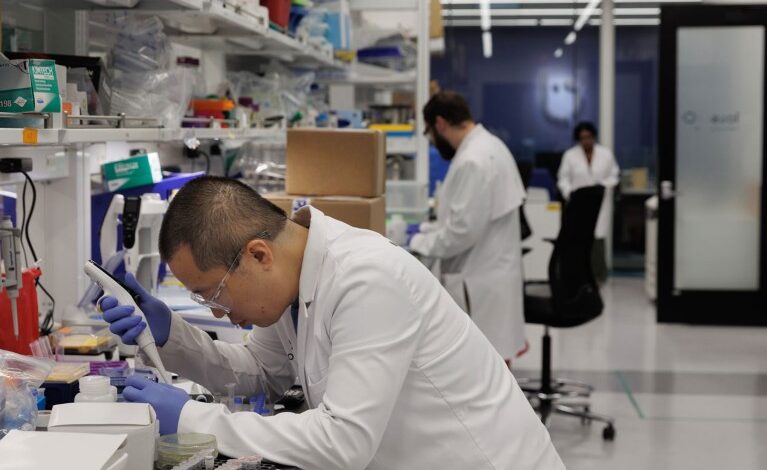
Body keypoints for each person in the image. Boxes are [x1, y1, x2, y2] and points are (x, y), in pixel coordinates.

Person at [100, 177, 564, 470]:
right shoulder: (292, 279)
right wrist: (171, 336)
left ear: (258, 255)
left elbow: (344, 441)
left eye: (213, 293)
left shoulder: (367, 278)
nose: (216, 311)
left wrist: (191, 417)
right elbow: (261, 372)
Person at [408, 91, 528, 363]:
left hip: (479, 283)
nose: (432, 141)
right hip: (491, 276)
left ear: (440, 124)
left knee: (484, 370)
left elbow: (460, 233)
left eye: (429, 133)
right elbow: (467, 217)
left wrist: (415, 242)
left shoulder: (473, 159)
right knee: (494, 368)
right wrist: (427, 230)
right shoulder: (490, 145)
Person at [557, 122, 620, 283]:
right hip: (578, 201)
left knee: (598, 238)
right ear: (578, 139)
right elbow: (563, 179)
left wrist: (603, 185)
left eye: (589, 137)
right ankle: (581, 276)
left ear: (594, 137)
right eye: (582, 138)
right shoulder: (570, 155)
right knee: (580, 238)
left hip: (600, 200)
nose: (586, 141)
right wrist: (569, 192)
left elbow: (614, 175)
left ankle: (599, 275)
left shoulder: (606, 154)